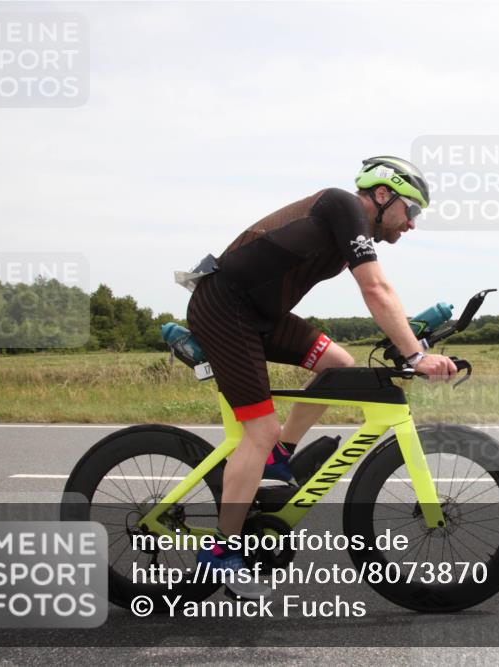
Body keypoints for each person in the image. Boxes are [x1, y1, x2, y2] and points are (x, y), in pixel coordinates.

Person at [185, 156, 457, 598]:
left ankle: (279, 454)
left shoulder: (355, 227)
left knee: (339, 366)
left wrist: (413, 344)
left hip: (261, 315)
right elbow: (375, 288)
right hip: (225, 308)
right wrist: (413, 355)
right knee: (259, 429)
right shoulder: (342, 206)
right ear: (384, 195)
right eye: (412, 210)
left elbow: (379, 293)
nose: (412, 224)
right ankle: (223, 552)